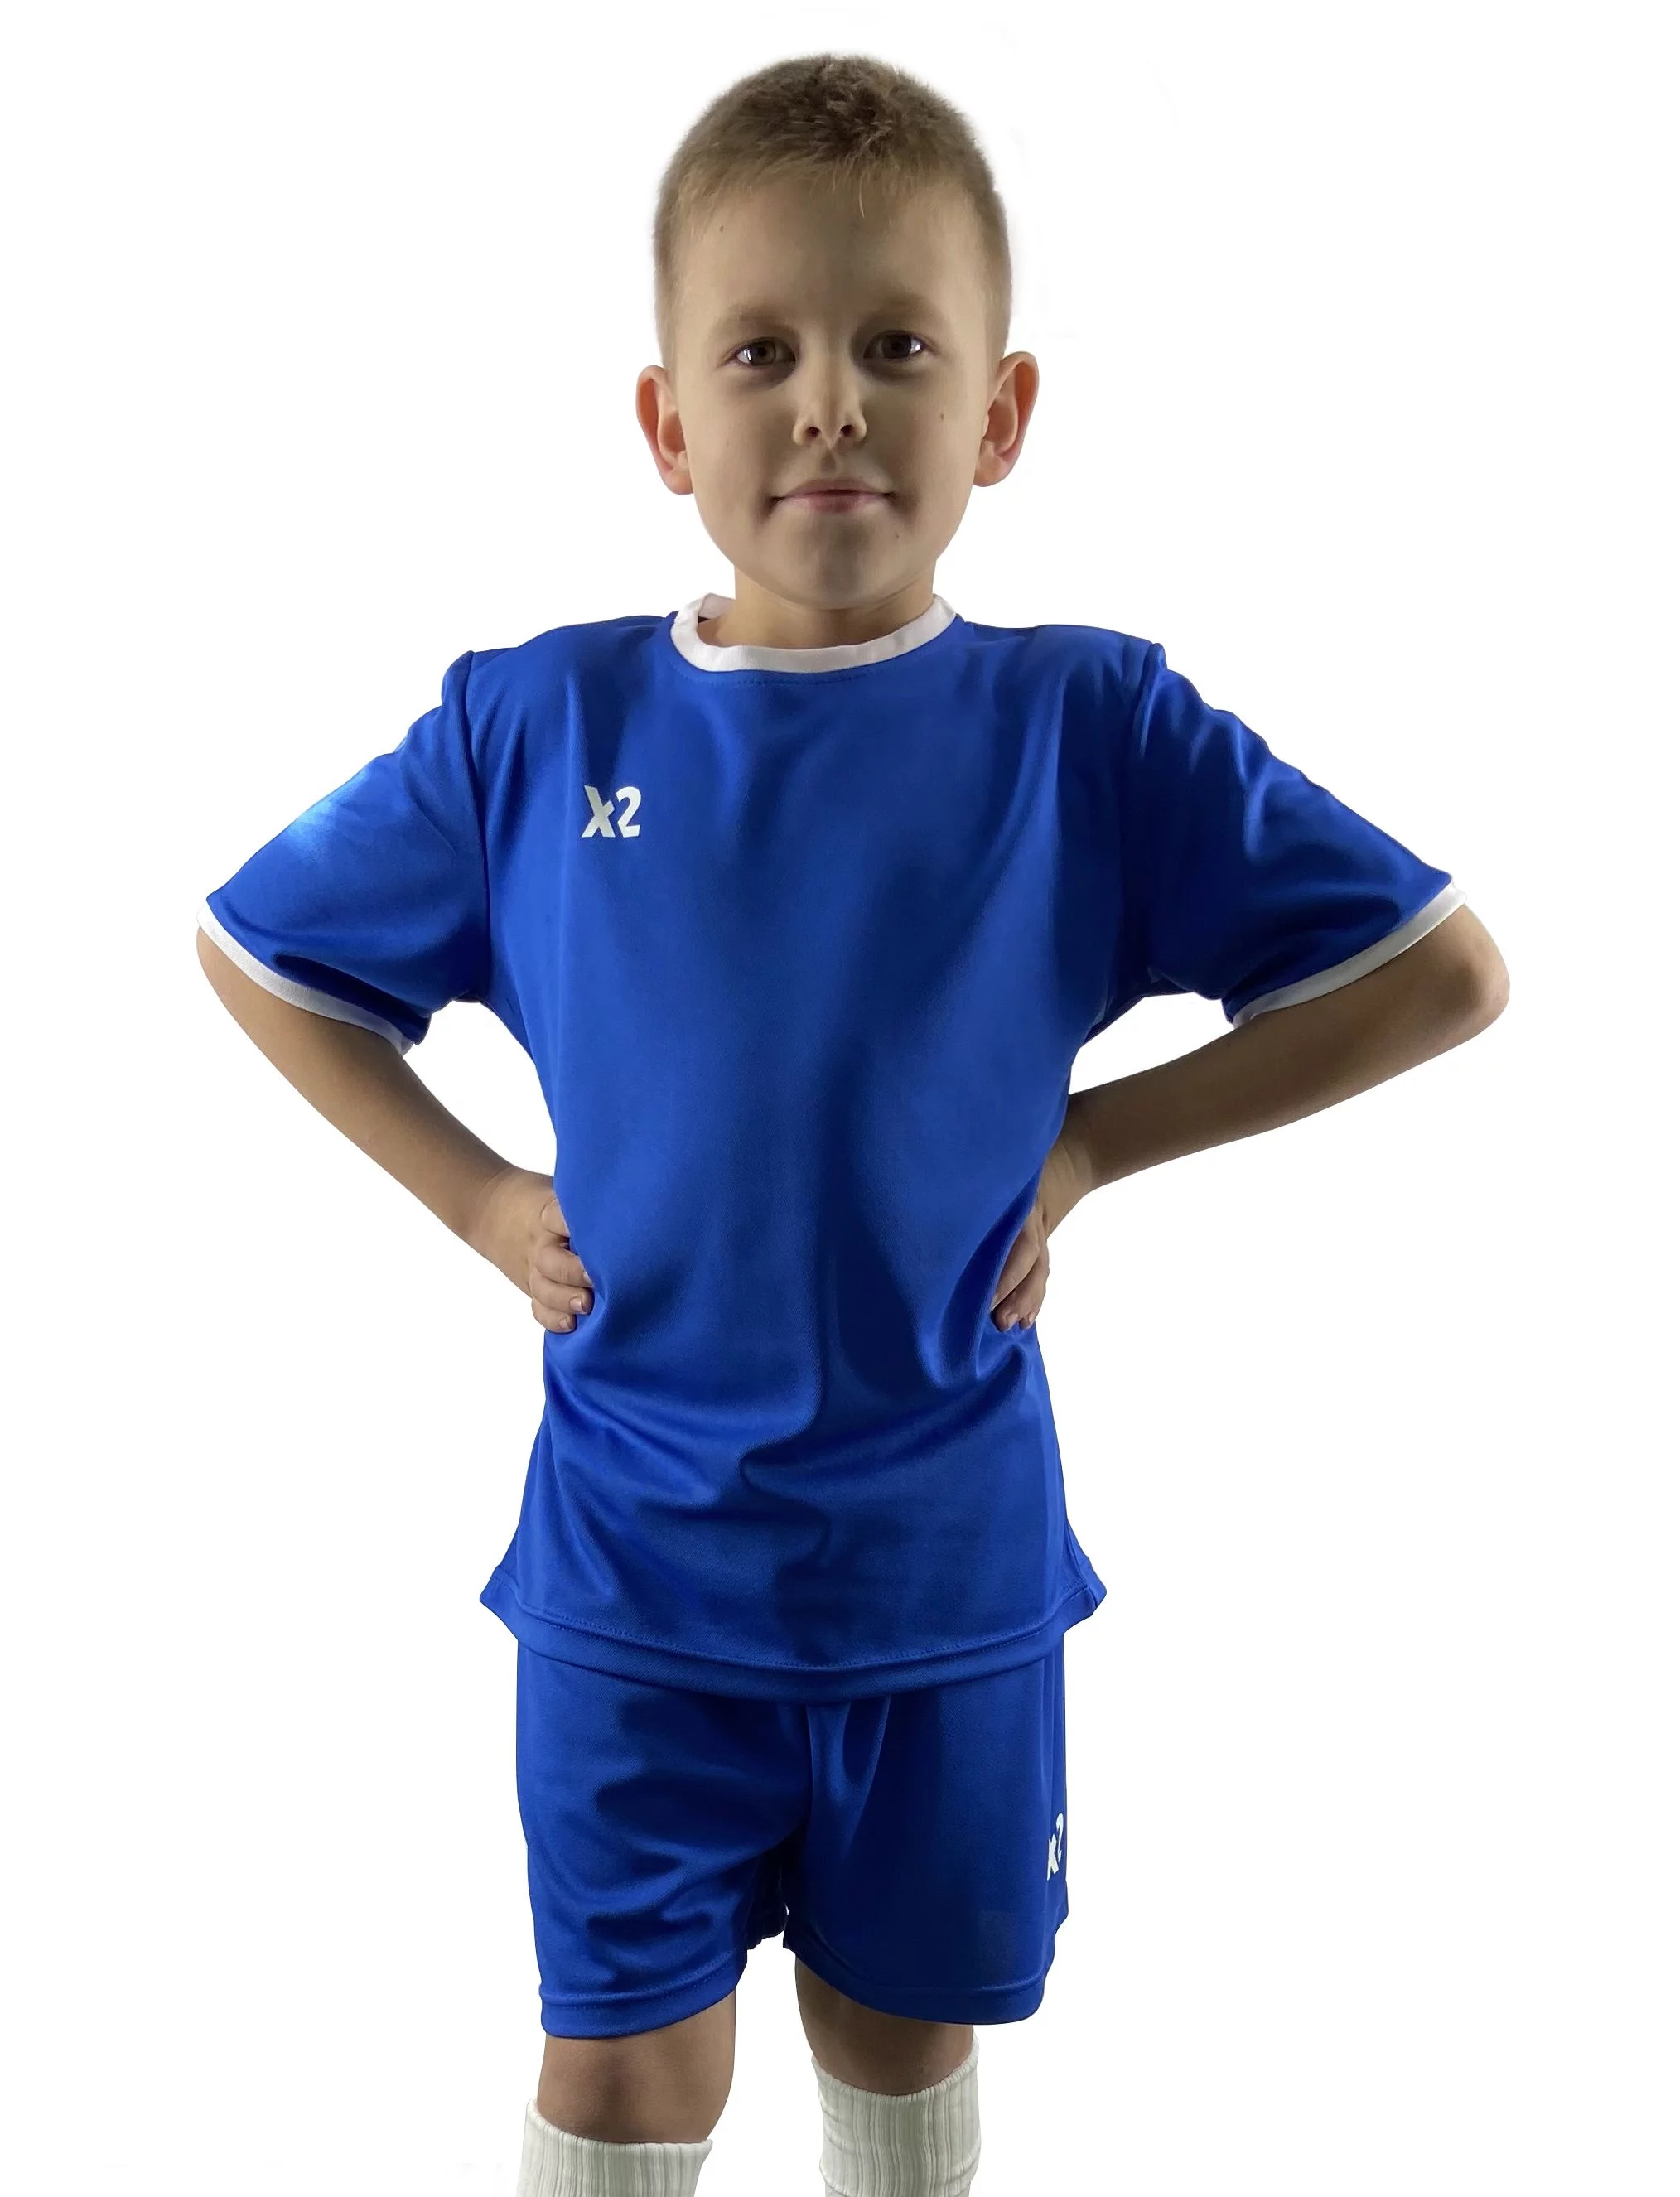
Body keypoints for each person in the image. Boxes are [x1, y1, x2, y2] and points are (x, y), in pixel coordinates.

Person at [195, 50, 1509, 2197]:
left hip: (941, 1565)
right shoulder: (537, 723)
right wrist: (475, 1195)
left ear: (998, 412)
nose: (828, 404)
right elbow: (259, 954)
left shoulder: (1087, 726)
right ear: (666, 424)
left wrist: (1095, 1141)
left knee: (898, 2039)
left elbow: (1438, 975)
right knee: (624, 2073)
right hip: (634, 1565)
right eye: (762, 354)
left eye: (897, 347)